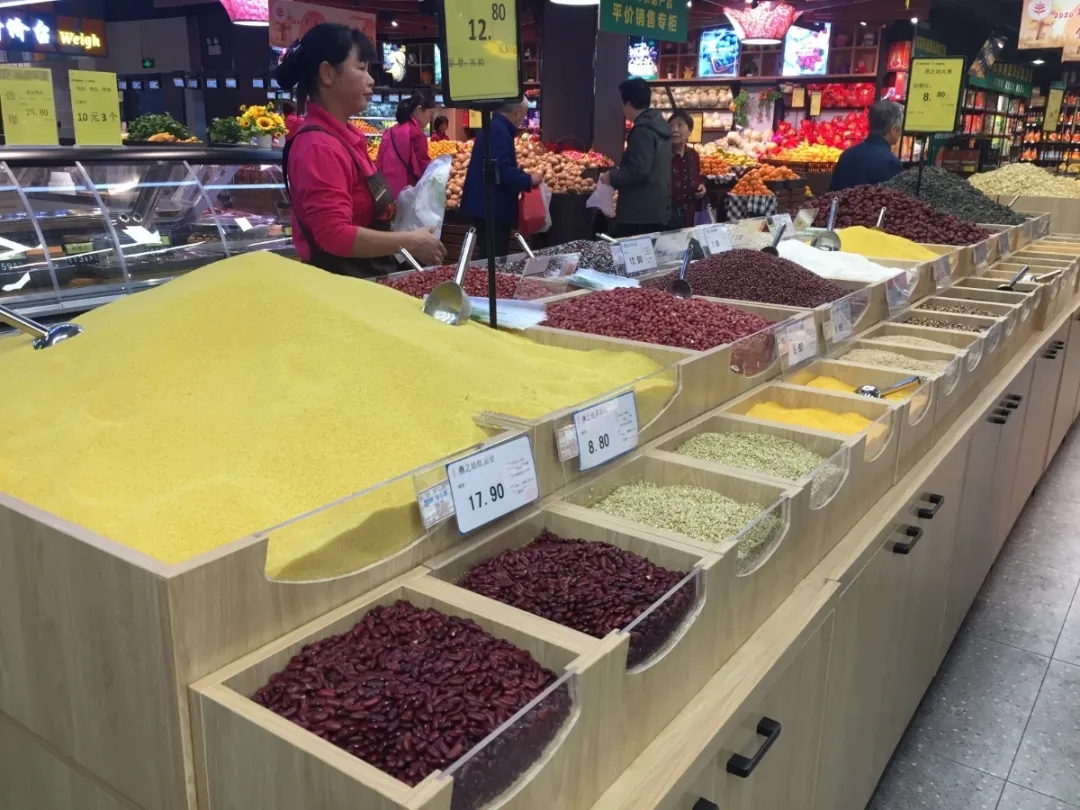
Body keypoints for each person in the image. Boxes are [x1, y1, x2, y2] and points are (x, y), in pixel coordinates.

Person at [278, 23, 444, 278]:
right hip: (343, 286)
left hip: (367, 279)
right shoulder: (319, 147)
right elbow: (334, 235)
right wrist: (409, 241)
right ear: (327, 74)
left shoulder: (345, 138)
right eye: (361, 68)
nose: (371, 80)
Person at [461, 97, 541, 259]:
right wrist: (528, 180)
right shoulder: (499, 131)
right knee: (494, 256)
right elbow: (502, 170)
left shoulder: (494, 126)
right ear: (517, 112)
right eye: (524, 114)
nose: (523, 119)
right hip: (492, 207)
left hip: (486, 205)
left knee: (489, 254)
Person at [600, 78, 671, 237]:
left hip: (638, 214)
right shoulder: (659, 126)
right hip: (656, 208)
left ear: (628, 103)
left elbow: (640, 170)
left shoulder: (642, 130)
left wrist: (611, 177)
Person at [829, 100, 905, 192]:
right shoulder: (891, 163)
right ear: (893, 129)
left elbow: (832, 195)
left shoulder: (847, 155)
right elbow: (894, 198)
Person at [376, 94, 434, 199]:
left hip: (388, 192)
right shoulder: (416, 134)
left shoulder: (390, 131)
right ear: (419, 110)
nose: (430, 118)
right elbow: (423, 165)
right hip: (407, 192)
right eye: (430, 113)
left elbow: (379, 162)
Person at [668, 110, 706, 229]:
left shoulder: (693, 155)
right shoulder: (662, 155)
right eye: (671, 126)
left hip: (689, 215)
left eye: (680, 125)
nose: (674, 130)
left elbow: (697, 178)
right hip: (667, 218)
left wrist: (701, 187)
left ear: (690, 131)